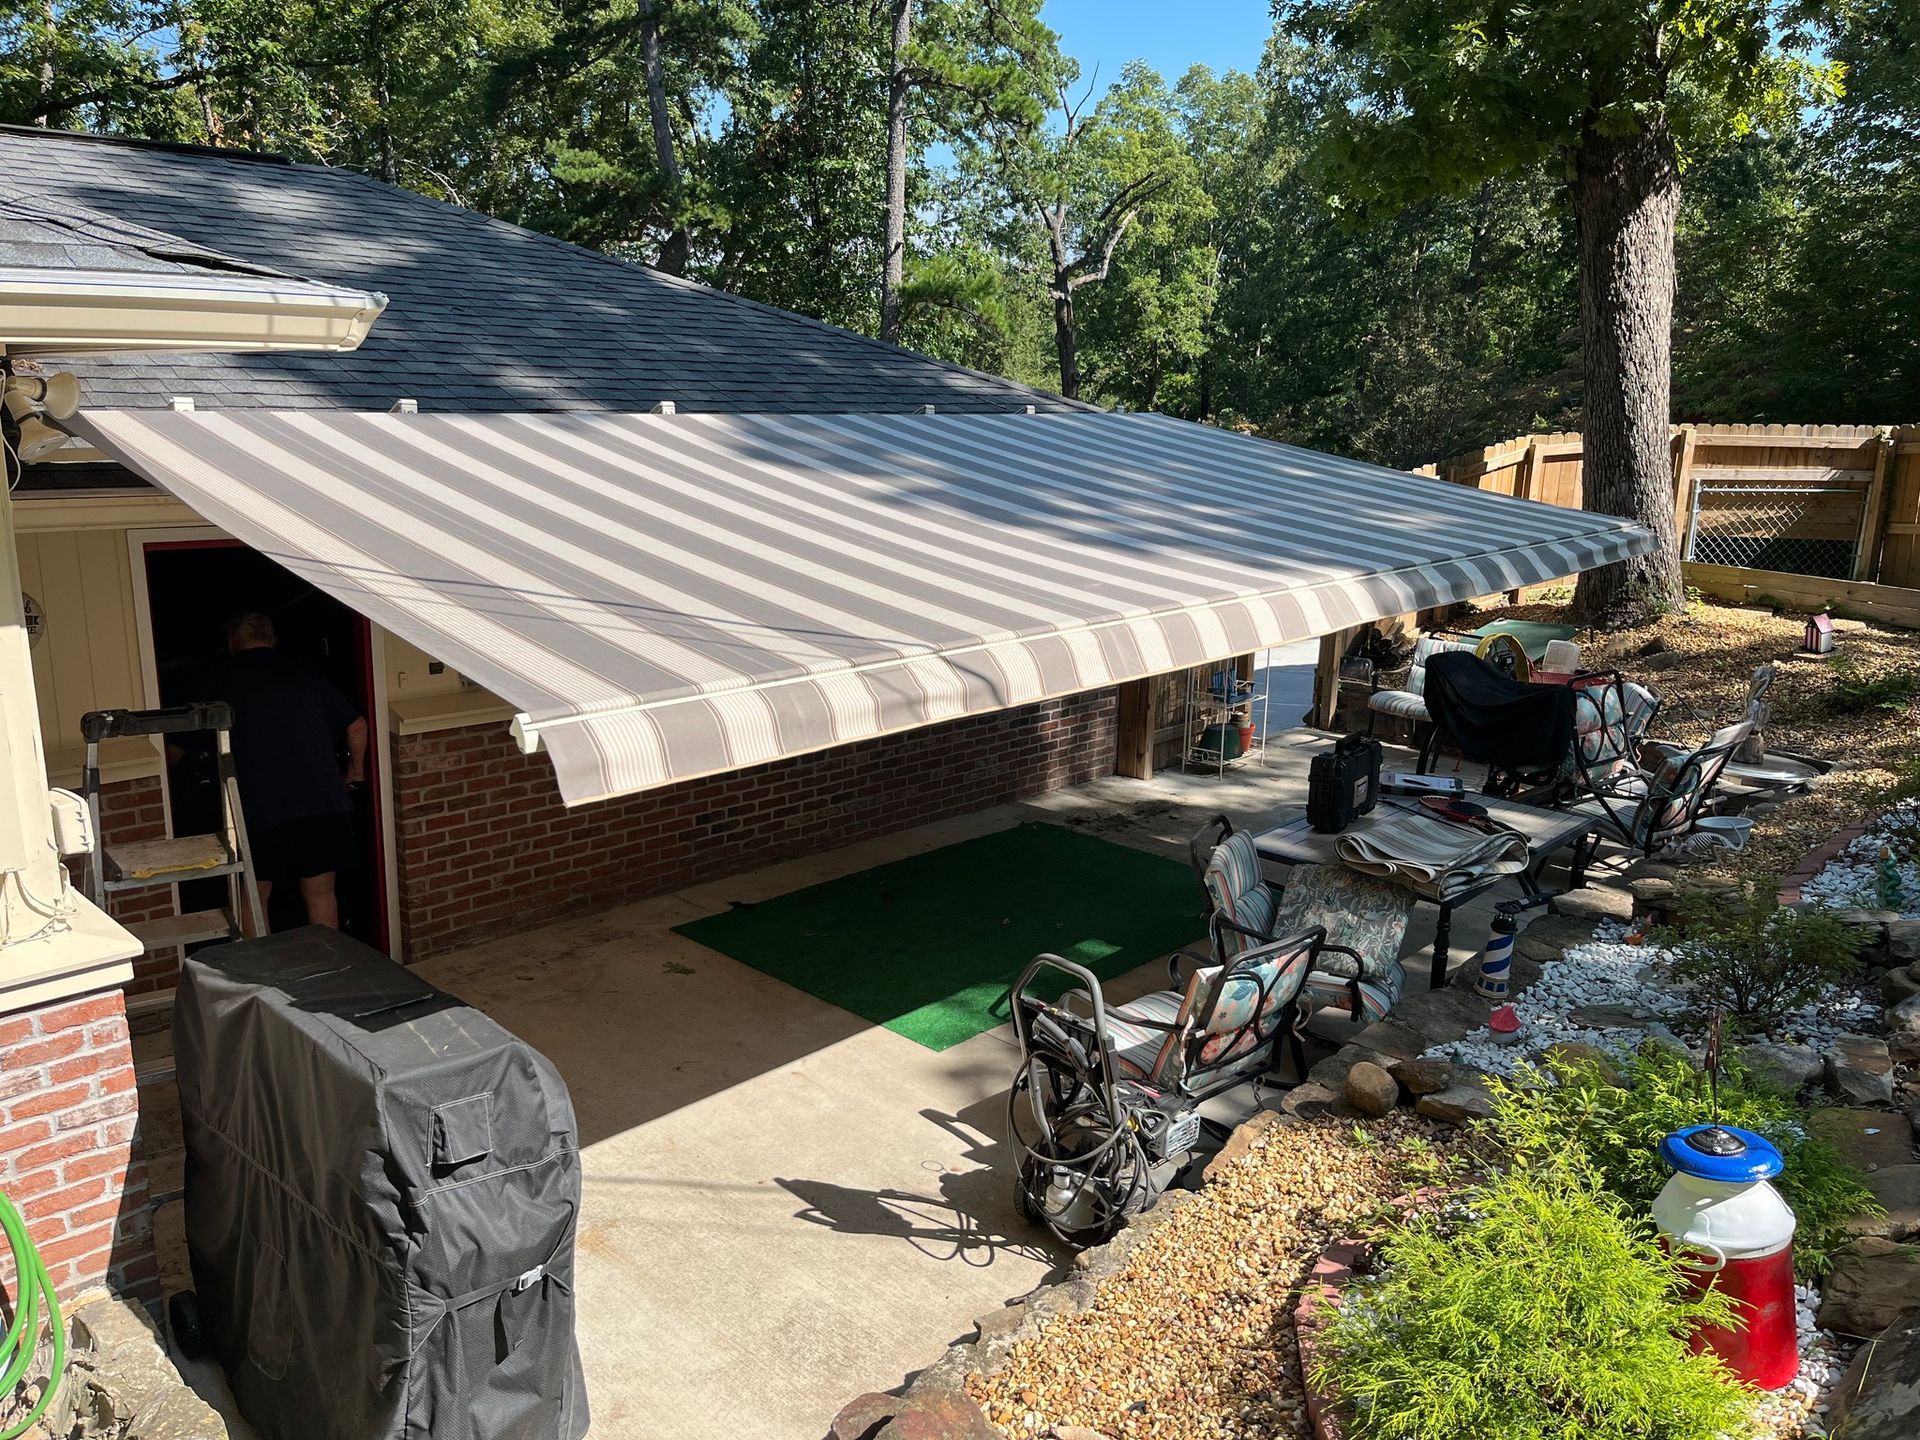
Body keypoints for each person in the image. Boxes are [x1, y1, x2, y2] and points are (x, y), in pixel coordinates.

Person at [200, 611, 367, 932]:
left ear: (233, 640)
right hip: (320, 802)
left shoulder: (221, 678)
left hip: (258, 807)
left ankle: (259, 975)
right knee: (320, 893)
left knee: (253, 897)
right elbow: (357, 725)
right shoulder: (303, 671)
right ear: (271, 638)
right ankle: (328, 967)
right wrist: (354, 773)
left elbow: (185, 743)